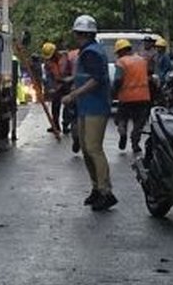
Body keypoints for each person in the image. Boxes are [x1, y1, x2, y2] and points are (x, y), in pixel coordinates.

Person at [62, 14, 117, 211]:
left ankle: (105, 191)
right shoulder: (90, 50)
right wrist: (72, 82)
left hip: (95, 106)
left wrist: (73, 94)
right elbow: (88, 76)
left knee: (93, 148)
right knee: (86, 149)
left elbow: (96, 80)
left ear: (80, 34)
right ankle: (96, 188)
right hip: (87, 107)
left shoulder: (91, 52)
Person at [112, 39, 152, 153]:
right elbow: (150, 74)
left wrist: (113, 92)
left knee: (121, 119)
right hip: (143, 97)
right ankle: (135, 143)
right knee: (139, 122)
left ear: (121, 51)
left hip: (126, 97)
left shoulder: (121, 62)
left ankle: (123, 132)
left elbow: (118, 79)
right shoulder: (142, 60)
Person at [42, 42, 73, 136]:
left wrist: (71, 80)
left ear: (55, 52)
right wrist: (50, 87)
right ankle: (55, 126)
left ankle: (66, 125)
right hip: (56, 85)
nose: (50, 58)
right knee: (55, 106)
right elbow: (49, 76)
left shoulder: (66, 58)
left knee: (67, 105)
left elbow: (72, 69)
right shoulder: (48, 63)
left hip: (67, 83)